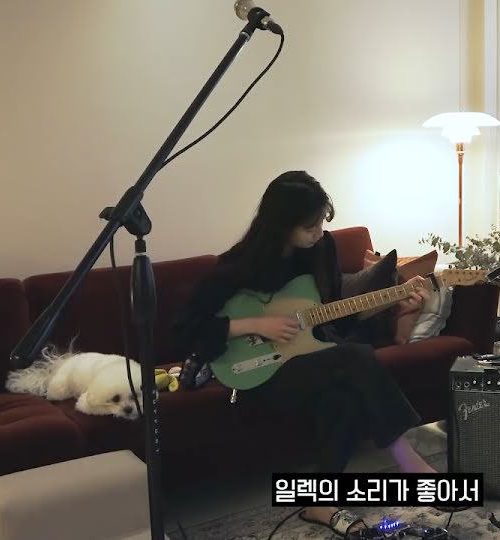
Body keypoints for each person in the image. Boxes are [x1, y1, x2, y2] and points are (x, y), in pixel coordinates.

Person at [172, 171, 436, 537]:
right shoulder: (238, 266)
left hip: (310, 360)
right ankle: (409, 461)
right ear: (282, 224)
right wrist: (254, 325)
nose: (319, 233)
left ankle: (320, 502)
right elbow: (186, 328)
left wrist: (396, 300)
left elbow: (337, 317)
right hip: (257, 373)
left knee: (344, 399)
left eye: (321, 223)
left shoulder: (321, 250)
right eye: (309, 227)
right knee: (356, 357)